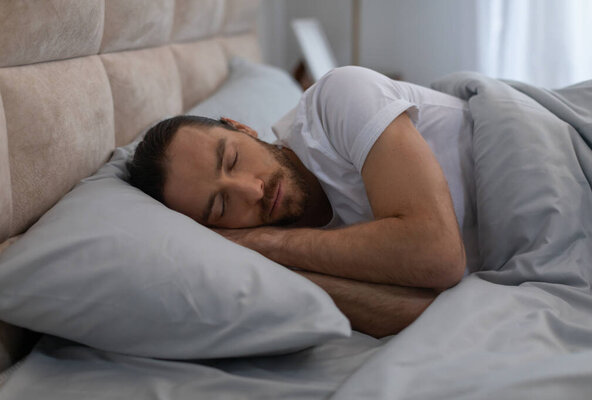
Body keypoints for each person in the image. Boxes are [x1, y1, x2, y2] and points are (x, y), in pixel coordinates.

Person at [127, 66, 477, 338]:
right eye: (221, 205)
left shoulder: (338, 98)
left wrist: (268, 242)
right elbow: (425, 314)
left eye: (233, 159)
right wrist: (279, 265)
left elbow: (438, 256)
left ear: (242, 127)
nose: (252, 191)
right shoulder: (288, 254)